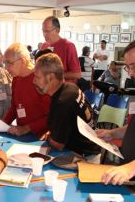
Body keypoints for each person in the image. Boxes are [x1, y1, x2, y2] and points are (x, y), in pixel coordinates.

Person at [33, 53, 100, 161]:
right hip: (89, 150)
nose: (34, 81)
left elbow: (58, 144)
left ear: (50, 77)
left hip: (84, 159)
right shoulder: (70, 87)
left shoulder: (62, 102)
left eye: (37, 76)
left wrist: (49, 137)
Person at [98, 41, 135, 185]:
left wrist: (130, 168)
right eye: (128, 67)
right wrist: (112, 133)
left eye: (134, 66)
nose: (131, 73)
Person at [3, 43, 50, 137]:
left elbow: (51, 116)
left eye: (9, 63)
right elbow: (15, 106)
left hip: (39, 137)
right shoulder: (16, 77)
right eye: (5, 63)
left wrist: (26, 128)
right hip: (21, 135)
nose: (6, 68)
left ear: (23, 61)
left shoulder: (40, 79)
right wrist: (2, 124)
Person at [41, 16, 81, 84]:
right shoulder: (44, 46)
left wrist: (55, 76)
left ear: (57, 30)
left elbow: (77, 74)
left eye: (47, 31)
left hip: (64, 90)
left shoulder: (68, 46)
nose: (44, 34)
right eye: (43, 31)